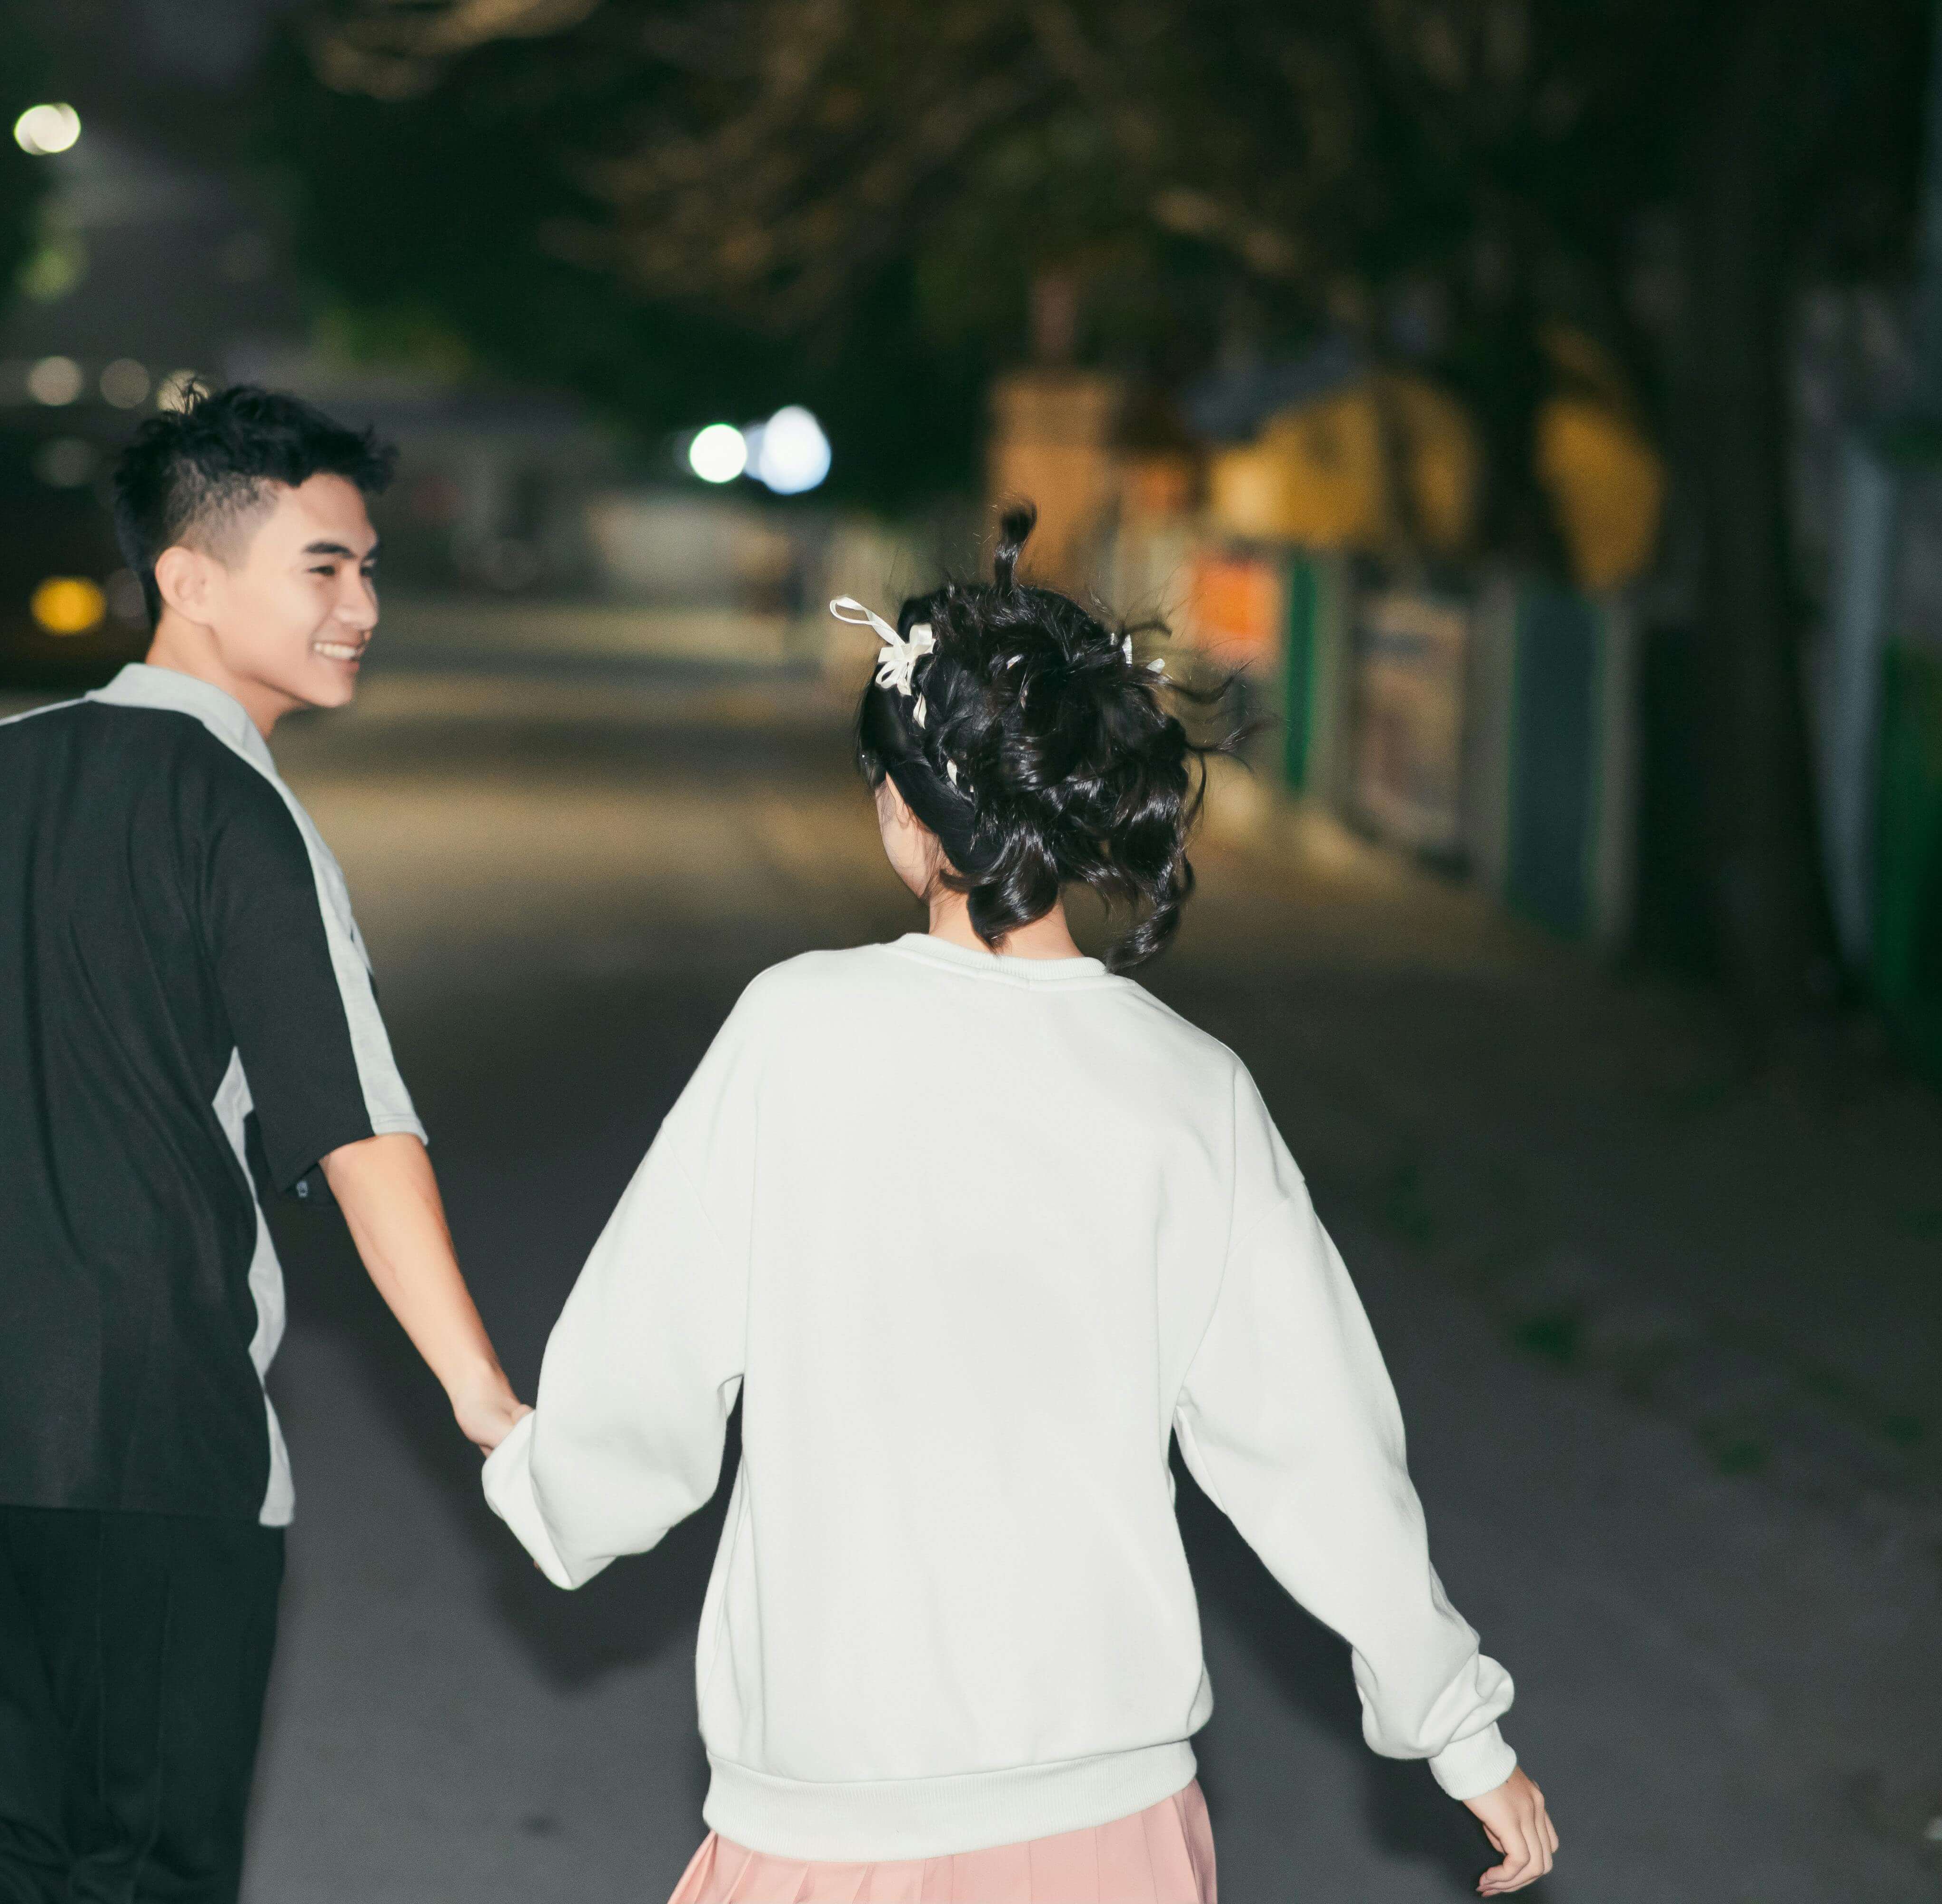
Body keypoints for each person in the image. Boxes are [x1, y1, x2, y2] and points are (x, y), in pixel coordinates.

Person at [481, 506, 1559, 1902]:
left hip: (837, 1803)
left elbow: (650, 1368)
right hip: (1113, 1812)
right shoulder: (1193, 1087)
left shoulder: (798, 1030)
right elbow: (1318, 1448)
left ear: (906, 804)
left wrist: (546, 1480)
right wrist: (1461, 1730)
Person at [0, 385, 527, 1903]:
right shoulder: (244, 820)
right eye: (324, 568)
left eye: (370, 568)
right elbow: (356, 1131)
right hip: (146, 1446)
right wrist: (485, 1401)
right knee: (135, 1871)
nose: (362, 606)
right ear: (188, 580)